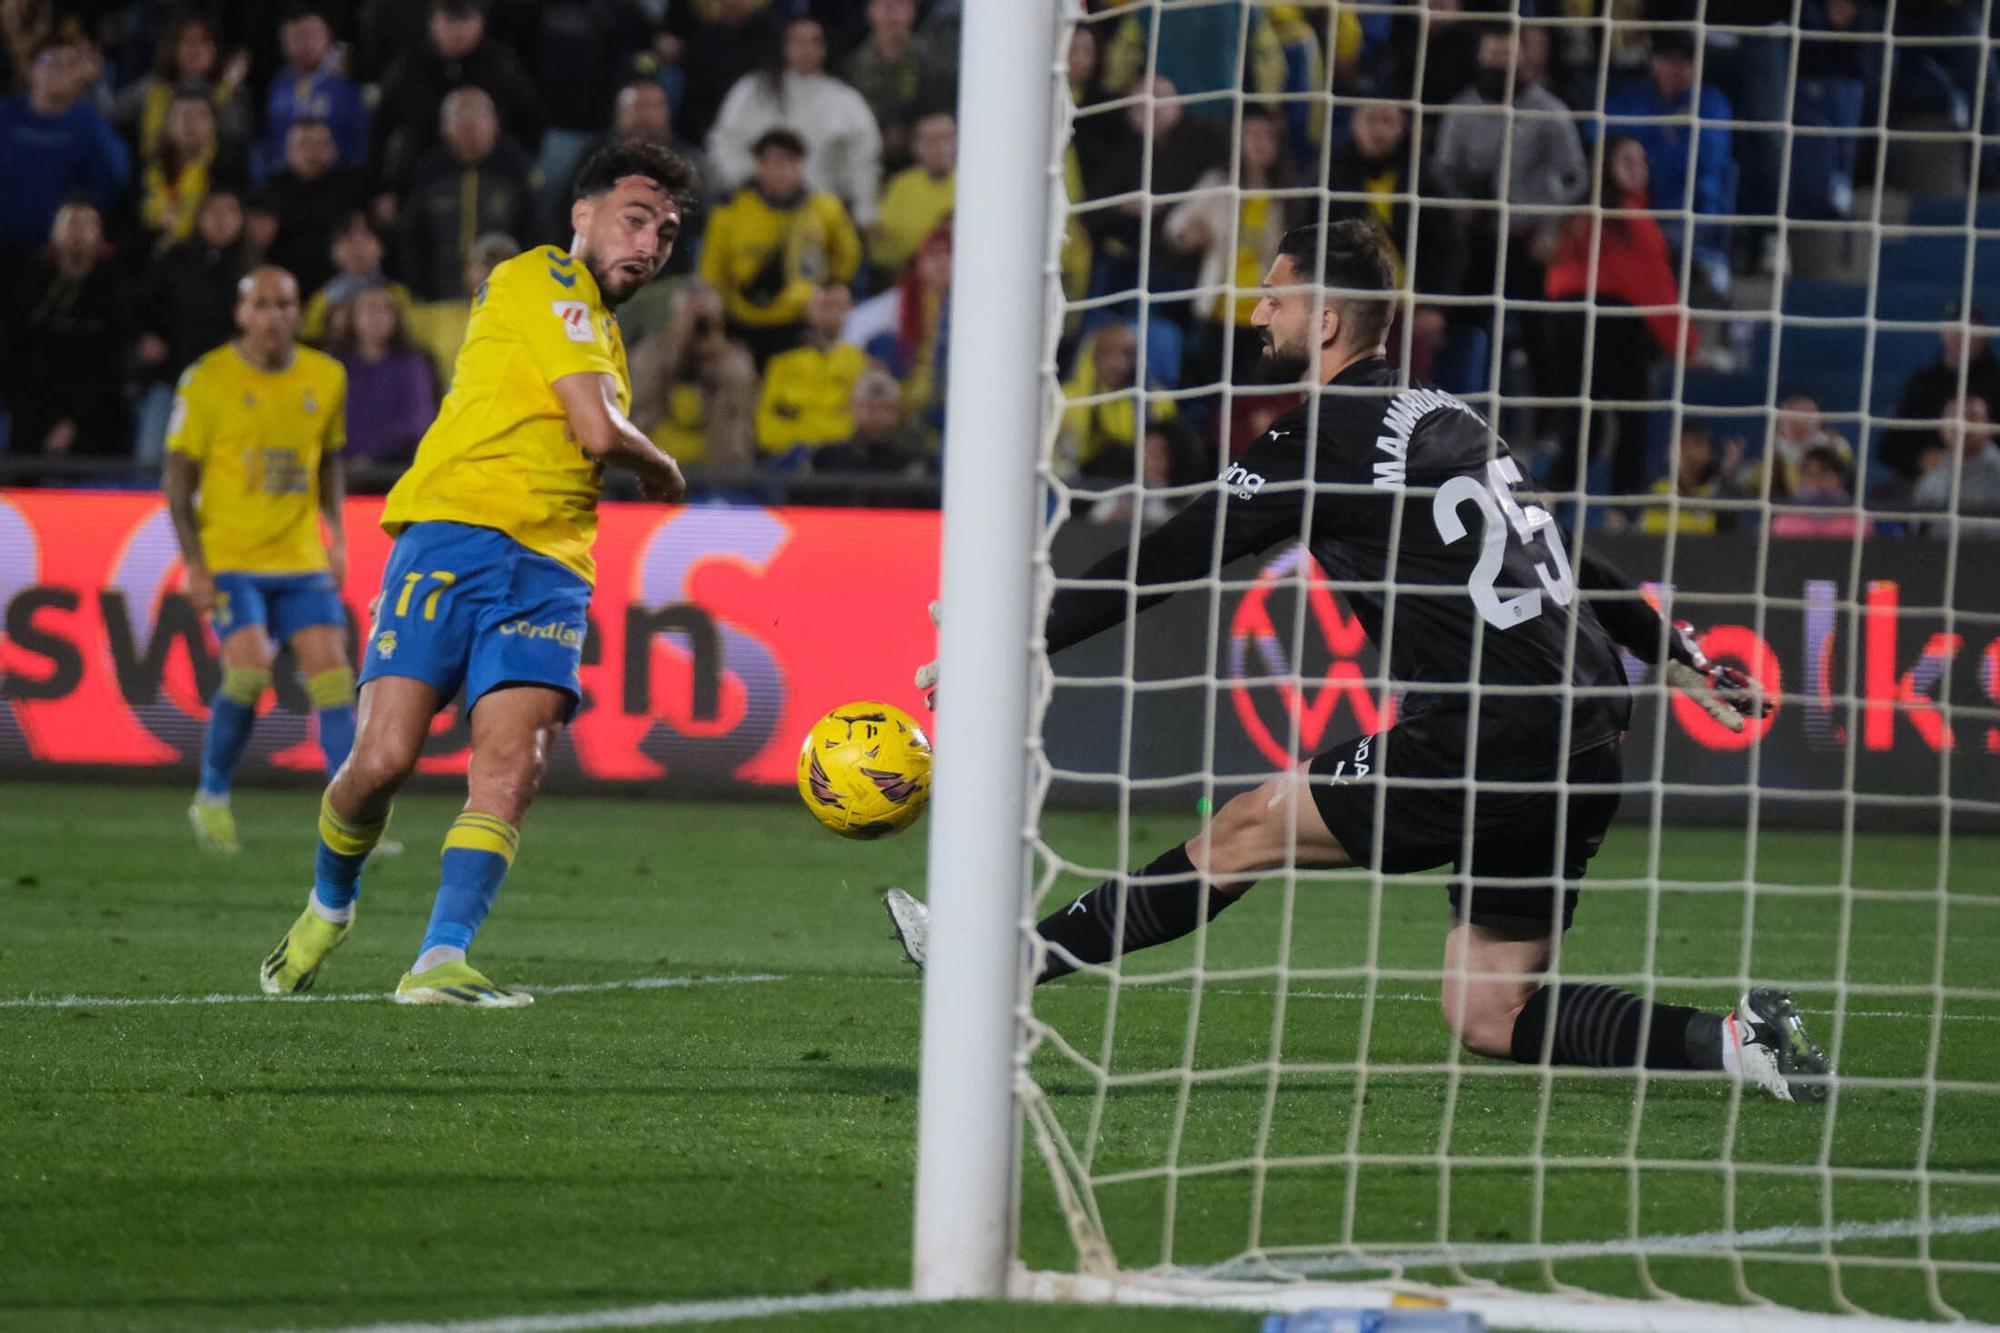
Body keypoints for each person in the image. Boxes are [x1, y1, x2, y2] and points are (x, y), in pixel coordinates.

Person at [884, 219, 1830, 1105]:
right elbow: (1563, 553)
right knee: (1488, 1010)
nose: (1257, 313)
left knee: (1245, 829)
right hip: (1582, 733)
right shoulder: (1450, 418)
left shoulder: (1322, 436)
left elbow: (1172, 555)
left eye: (1275, 298)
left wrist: (1011, 636)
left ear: (1326, 319)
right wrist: (1671, 649)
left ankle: (994, 968)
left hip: (1486, 730)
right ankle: (1742, 1041)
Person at [256, 141, 700, 1007]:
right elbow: (599, 432)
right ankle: (327, 905)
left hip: (552, 566)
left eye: (668, 234)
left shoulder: (602, 330)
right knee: (382, 759)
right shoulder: (542, 281)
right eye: (636, 218)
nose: (649, 244)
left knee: (513, 765)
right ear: (583, 215)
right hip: (457, 536)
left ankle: (439, 960)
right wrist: (665, 469)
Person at [164, 266, 354, 856]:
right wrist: (195, 562)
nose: (275, 315)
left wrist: (338, 535)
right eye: (262, 304)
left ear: (299, 311)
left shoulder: (326, 377)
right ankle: (212, 796)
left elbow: (328, 461)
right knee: (247, 675)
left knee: (335, 680)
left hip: (298, 556)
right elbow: (176, 480)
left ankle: (349, 820)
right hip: (230, 557)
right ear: (241, 314)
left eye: (286, 303)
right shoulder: (208, 380)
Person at [1541, 136, 1697, 504]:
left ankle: (1543, 504)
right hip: (1609, 324)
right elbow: (1655, 290)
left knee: (1582, 428)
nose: (1637, 168)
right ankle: (1624, 510)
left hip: (1562, 325)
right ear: (1605, 166)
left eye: (1642, 161)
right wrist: (1687, 346)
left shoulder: (1576, 219)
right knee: (1631, 418)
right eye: (1627, 159)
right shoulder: (1629, 220)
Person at [1166, 104, 1303, 388]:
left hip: (1264, 317)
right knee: (1206, 389)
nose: (1258, 143)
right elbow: (1176, 228)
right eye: (1251, 134)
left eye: (1267, 136)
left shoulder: (1289, 195)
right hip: (1217, 309)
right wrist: (1190, 236)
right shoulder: (1218, 183)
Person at [699, 127, 862, 366]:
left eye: (790, 162)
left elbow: (848, 261)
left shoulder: (825, 209)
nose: (782, 171)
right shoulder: (730, 212)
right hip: (744, 324)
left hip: (802, 324)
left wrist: (826, 298)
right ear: (759, 165)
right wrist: (719, 328)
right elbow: (712, 275)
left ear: (801, 164)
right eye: (775, 162)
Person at [706, 15, 883, 227]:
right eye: (798, 41)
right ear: (783, 45)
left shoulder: (845, 100)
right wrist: (747, 181)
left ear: (825, 48)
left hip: (821, 219)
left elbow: (864, 160)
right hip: (756, 211)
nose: (806, 49)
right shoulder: (752, 91)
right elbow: (724, 142)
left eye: (814, 41)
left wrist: (864, 215)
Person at [2, 198, 129, 462]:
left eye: (86, 224)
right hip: (32, 411)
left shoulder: (116, 288)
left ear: (100, 235)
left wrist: (73, 422)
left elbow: (112, 366)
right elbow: (16, 353)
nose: (78, 233)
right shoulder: (30, 283)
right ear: (54, 233)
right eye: (71, 223)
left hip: (95, 416)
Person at [372, 0, 543, 193]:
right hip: (421, 181)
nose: (458, 30)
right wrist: (382, 190)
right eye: (450, 20)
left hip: (493, 179)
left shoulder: (501, 66)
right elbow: (380, 129)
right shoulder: (408, 68)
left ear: (481, 22)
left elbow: (530, 122)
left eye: (467, 19)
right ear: (433, 21)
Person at [133, 186, 251, 463]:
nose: (221, 219)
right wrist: (147, 336)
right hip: (171, 379)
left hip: (230, 387)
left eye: (230, 211)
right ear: (199, 217)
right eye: (214, 211)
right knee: (149, 462)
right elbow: (139, 306)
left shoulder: (253, 269)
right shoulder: (173, 259)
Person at [0, 32, 130, 277]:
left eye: (68, 63)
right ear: (31, 70)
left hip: (57, 258)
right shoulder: (5, 114)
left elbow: (112, 183)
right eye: (49, 62)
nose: (58, 70)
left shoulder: (91, 124)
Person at [396, 87, 536, 300]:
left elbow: (537, 232)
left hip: (507, 299)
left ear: (495, 125)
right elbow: (413, 236)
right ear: (445, 128)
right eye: (461, 121)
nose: (470, 129)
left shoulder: (516, 169)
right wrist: (423, 291)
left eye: (478, 118)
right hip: (441, 304)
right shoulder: (429, 172)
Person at [1883, 303, 2000, 485]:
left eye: (1971, 327)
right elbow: (1889, 446)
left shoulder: (1996, 380)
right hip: (1932, 484)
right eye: (1955, 329)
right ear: (1943, 333)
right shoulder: (1924, 383)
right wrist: (1921, 459)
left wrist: (1981, 451)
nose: (1963, 336)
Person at [332, 281, 439, 476]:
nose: (377, 317)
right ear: (353, 317)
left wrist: (371, 456)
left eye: (385, 309)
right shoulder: (336, 366)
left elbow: (417, 422)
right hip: (341, 469)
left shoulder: (412, 365)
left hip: (394, 469)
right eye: (370, 308)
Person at [755, 281, 866, 464]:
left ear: (850, 310)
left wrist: (803, 423)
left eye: (840, 306)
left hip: (842, 463)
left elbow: (857, 427)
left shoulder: (861, 364)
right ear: (810, 309)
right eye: (826, 305)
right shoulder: (782, 363)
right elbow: (766, 431)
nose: (832, 313)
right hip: (788, 462)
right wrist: (814, 439)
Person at [841, 0, 953, 173]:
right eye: (883, 5)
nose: (891, 14)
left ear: (913, 12)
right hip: (864, 163)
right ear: (870, 12)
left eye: (900, 5)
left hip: (921, 168)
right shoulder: (850, 69)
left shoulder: (935, 67)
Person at [267, 117, 370, 296]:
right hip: (286, 288)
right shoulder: (271, 190)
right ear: (288, 151)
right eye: (304, 145)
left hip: (344, 289)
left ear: (334, 148)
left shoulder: (355, 188)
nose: (312, 153)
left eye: (321, 144)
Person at [263, 3, 369, 170]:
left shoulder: (348, 78)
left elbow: (361, 137)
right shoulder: (279, 83)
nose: (305, 45)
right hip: (287, 180)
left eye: (312, 35)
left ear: (328, 36)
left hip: (340, 177)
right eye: (296, 37)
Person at [137, 88, 223, 254]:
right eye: (182, 114)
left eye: (200, 116)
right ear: (167, 123)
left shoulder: (227, 168)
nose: (189, 122)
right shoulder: (147, 166)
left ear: (213, 124)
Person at [1910, 395, 2000, 535]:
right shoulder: (1934, 473)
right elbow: (1916, 526)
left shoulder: (1996, 470)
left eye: (1972, 417)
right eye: (1953, 417)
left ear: (1989, 425)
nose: (1962, 426)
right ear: (1942, 427)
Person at [1770, 444, 1871, 540]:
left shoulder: (1857, 522)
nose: (1818, 480)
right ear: (1801, 477)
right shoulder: (1785, 522)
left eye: (1825, 474)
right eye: (1811, 474)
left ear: (1838, 478)